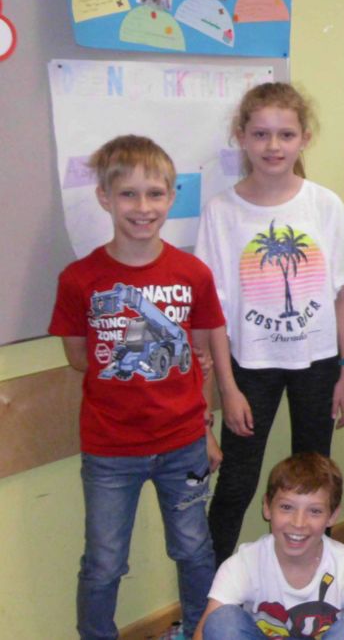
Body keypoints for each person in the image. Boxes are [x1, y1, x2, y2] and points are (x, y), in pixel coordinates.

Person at [49, 135, 225, 640]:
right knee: (104, 562)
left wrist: (205, 430)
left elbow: (199, 361)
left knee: (194, 549)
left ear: (171, 198)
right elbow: (79, 358)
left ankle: (199, 631)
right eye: (128, 194)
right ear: (104, 197)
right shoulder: (79, 278)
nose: (142, 207)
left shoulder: (192, 274)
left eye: (155, 194)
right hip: (110, 452)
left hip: (183, 445)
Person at [197, 82, 344, 567]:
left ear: (304, 138)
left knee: (316, 480)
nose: (273, 146)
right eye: (261, 134)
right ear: (241, 137)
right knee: (237, 481)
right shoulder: (221, 212)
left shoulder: (324, 205)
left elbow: (343, 298)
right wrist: (226, 388)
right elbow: (213, 314)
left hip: (318, 364)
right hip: (249, 368)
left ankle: (314, 575)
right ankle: (208, 590)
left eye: (286, 135)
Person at [194, 453, 344, 640]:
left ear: (332, 516)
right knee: (222, 621)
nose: (298, 523)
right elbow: (206, 632)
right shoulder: (245, 563)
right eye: (287, 507)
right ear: (267, 507)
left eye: (314, 511)